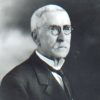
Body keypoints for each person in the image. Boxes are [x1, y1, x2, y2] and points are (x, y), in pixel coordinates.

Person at [0, 4, 74, 100]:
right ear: (36, 37)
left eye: (66, 28)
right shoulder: (15, 82)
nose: (62, 38)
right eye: (53, 29)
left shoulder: (63, 73)